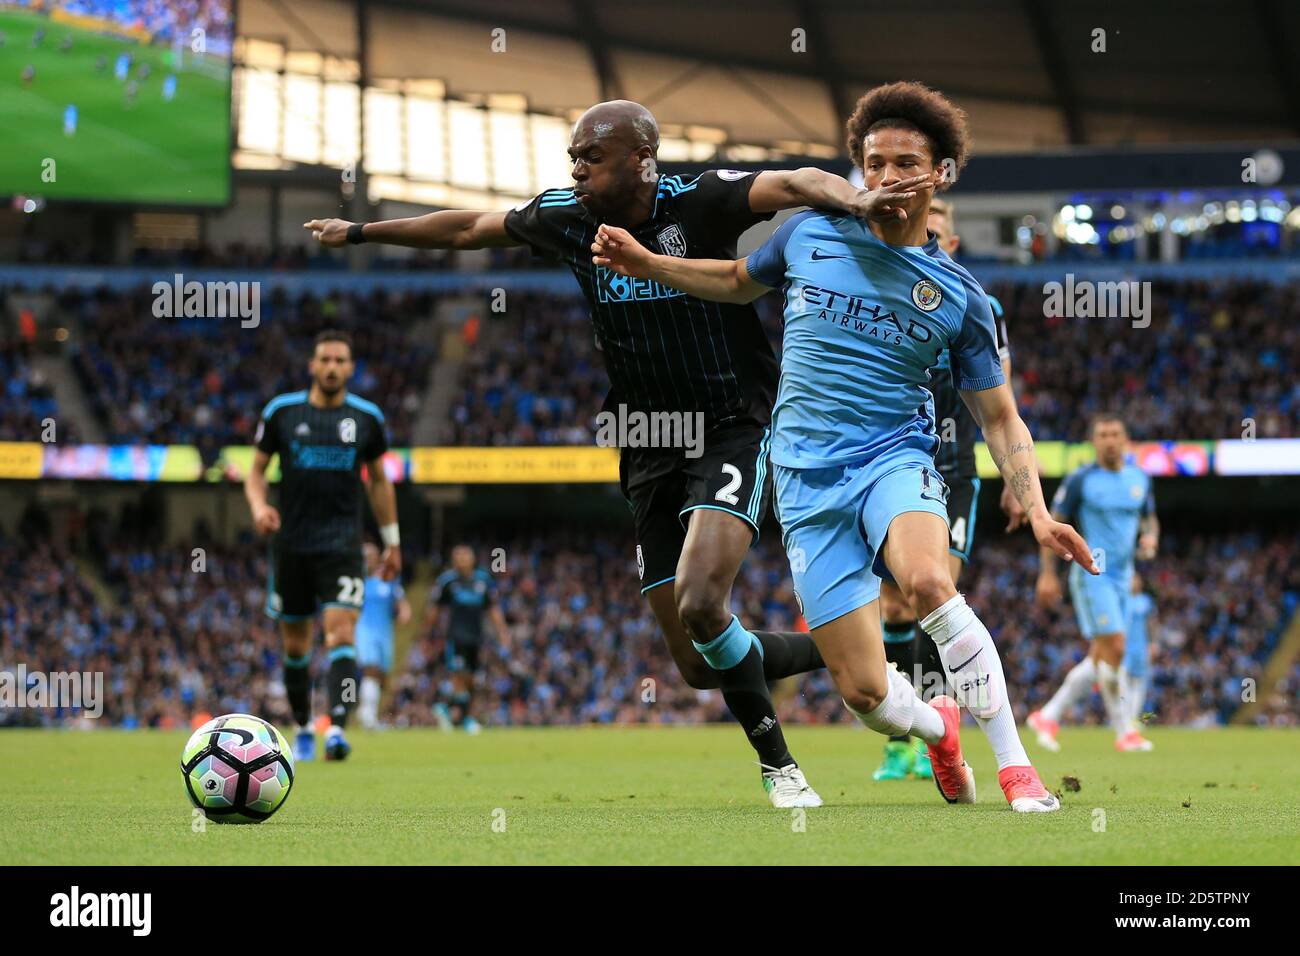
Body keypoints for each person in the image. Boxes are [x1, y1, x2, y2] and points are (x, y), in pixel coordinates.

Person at [305, 99, 918, 807]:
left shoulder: (703, 202)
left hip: (730, 426)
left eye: (590, 156)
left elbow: (798, 180)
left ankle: (780, 769)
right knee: (694, 660)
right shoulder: (569, 216)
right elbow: (470, 227)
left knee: (700, 598)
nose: (576, 168)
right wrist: (359, 231)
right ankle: (866, 650)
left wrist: (858, 196)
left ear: (641, 159)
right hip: (645, 440)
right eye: (573, 156)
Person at [590, 80, 1098, 811]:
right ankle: (938, 728)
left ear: (942, 174)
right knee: (864, 694)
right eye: (874, 163)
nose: (887, 177)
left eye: (904, 163)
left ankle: (1019, 770)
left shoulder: (960, 297)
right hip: (801, 474)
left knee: (927, 584)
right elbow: (736, 280)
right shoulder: (808, 232)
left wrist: (1039, 510)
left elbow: (1000, 417)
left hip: (894, 457)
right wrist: (650, 263)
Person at [870, 195, 1013, 783]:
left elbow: (999, 396)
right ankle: (906, 738)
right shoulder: (876, 294)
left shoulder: (978, 304)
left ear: (950, 243)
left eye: (936, 230)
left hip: (951, 470)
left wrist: (1015, 476)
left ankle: (940, 725)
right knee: (892, 603)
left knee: (936, 594)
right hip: (892, 463)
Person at [244, 330, 401, 760]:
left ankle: (336, 728)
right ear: (312, 365)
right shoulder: (282, 413)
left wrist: (392, 541)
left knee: (341, 634)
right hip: (291, 546)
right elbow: (255, 472)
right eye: (325, 360)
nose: (332, 367)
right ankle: (302, 727)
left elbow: (380, 483)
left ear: (351, 368)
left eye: (340, 361)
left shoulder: (367, 418)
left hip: (343, 546)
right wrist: (259, 507)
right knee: (295, 646)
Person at [1029, 415, 1158, 752]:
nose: (1110, 440)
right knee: (1115, 648)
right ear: (1094, 442)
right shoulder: (1081, 480)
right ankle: (1124, 730)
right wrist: (1047, 573)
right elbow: (1053, 525)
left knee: (1101, 655)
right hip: (1093, 573)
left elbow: (1149, 520)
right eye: (1103, 435)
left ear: (1126, 438)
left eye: (1116, 434)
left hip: (1125, 578)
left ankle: (1048, 715)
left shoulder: (1139, 479)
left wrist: (1150, 539)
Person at [426, 545, 509, 734]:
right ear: (453, 560)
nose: (462, 559)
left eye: (465, 556)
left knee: (474, 681)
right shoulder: (447, 581)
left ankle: (446, 708)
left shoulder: (483, 580)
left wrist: (502, 632)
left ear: (473, 558)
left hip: (477, 638)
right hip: (456, 638)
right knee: (459, 676)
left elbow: (493, 609)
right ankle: (467, 719)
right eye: (458, 556)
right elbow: (435, 609)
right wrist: (427, 634)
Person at [356, 541, 411, 729]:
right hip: (363, 630)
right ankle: (368, 715)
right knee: (370, 668)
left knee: (382, 675)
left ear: (378, 558)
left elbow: (400, 601)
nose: (367, 560)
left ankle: (370, 712)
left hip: (385, 632)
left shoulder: (388, 579)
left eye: (371, 556)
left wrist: (404, 611)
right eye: (364, 557)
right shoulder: (356, 581)